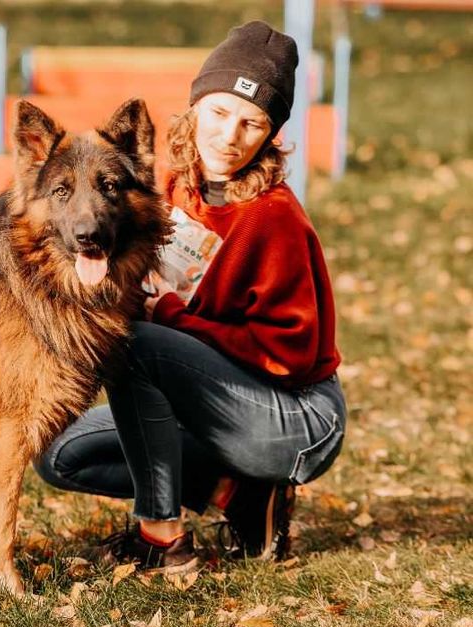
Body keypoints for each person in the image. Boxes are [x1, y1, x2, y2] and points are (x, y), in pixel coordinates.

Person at [34, 20, 346, 571]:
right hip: (209, 396)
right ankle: (239, 494)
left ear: (270, 133)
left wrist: (173, 318)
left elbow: (291, 356)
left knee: (136, 344)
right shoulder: (175, 187)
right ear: (196, 108)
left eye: (252, 123)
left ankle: (163, 539)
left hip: (294, 418)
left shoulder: (273, 218)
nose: (230, 136)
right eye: (219, 112)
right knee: (60, 453)